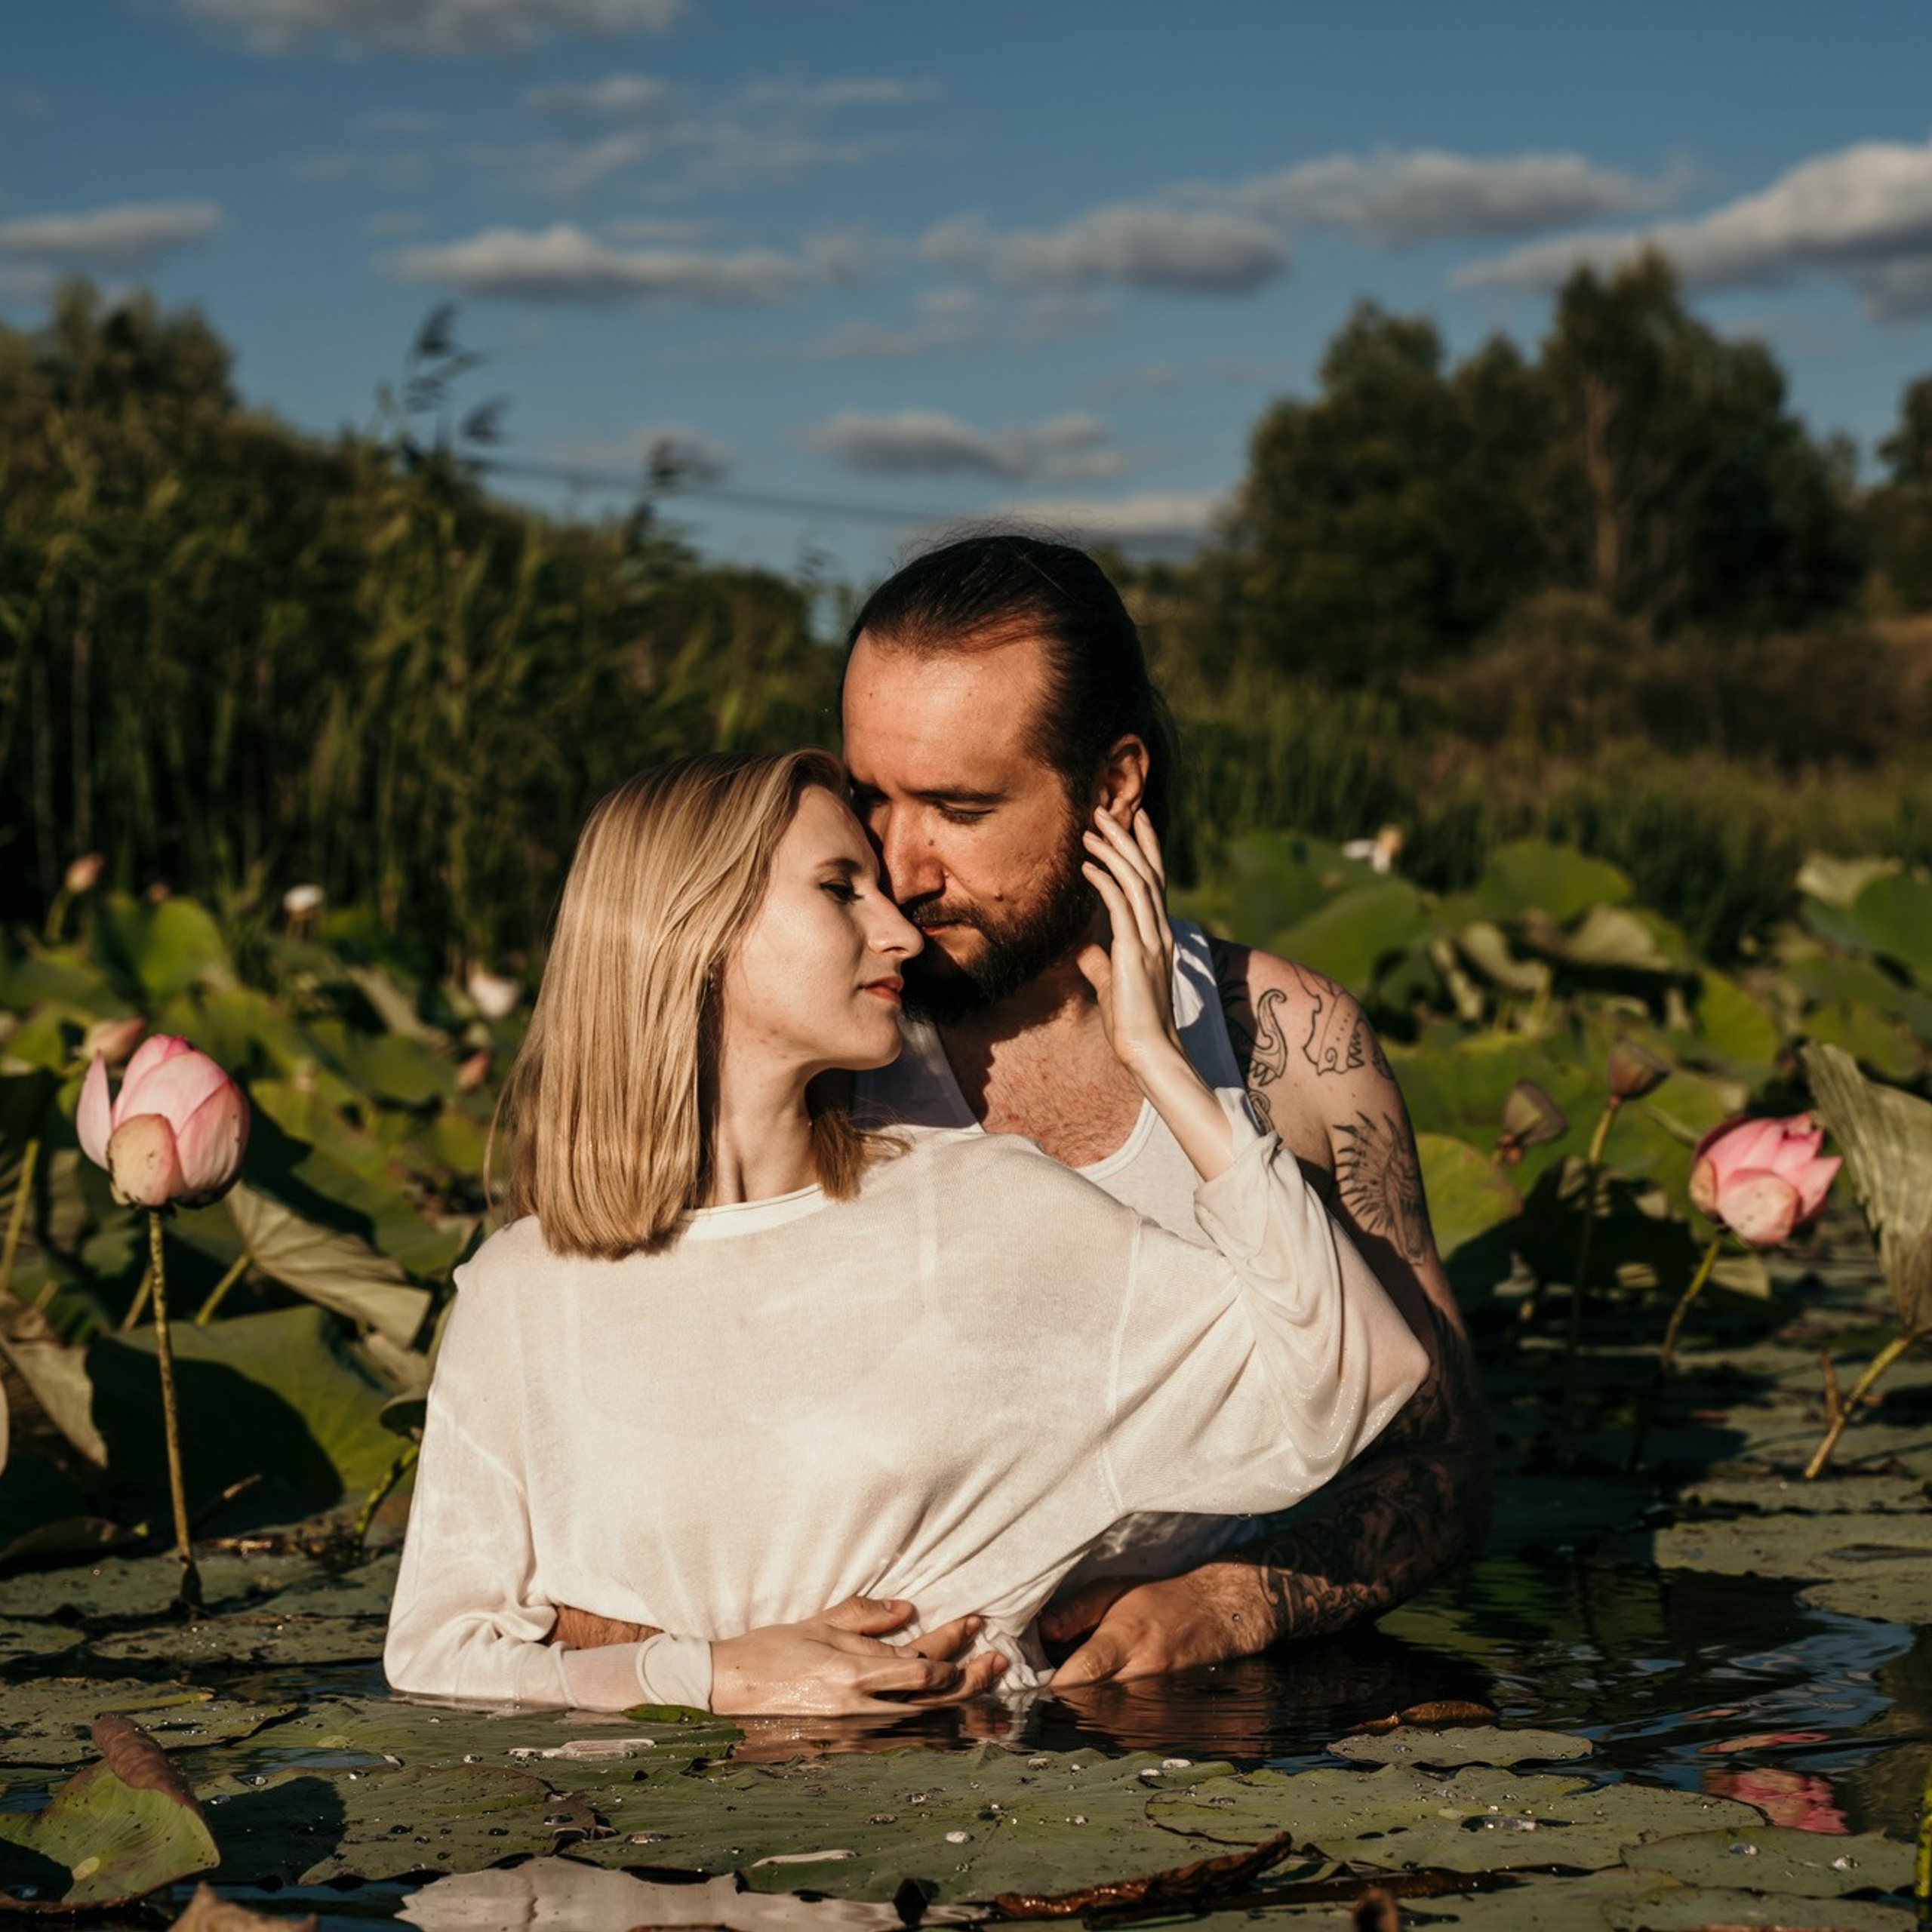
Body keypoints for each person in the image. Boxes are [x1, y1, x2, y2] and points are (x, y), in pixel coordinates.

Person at [554, 536, 1492, 1690]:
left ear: (1112, 785)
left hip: (1209, 1728)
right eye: (870, 799)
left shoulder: (1289, 1048)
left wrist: (1230, 1602)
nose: (901, 867)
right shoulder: (817, 1053)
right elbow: (588, 1515)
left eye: (959, 807)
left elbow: (1439, 1466)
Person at [384, 751, 1425, 1714]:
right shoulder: (522, 1288)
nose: (902, 932)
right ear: (689, 928)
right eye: (841, 890)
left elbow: (1361, 1371)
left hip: (956, 1849)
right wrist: (711, 1675)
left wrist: (1165, 1064)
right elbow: (436, 1653)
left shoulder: (989, 1210)